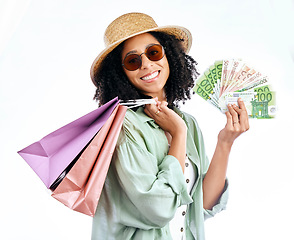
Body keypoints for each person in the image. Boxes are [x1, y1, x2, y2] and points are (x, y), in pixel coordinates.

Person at [90, 12, 249, 240]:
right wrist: (178, 134)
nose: (146, 64)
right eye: (133, 60)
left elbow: (200, 204)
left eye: (153, 52)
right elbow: (159, 210)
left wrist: (225, 141)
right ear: (120, 73)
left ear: (169, 56)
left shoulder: (188, 123)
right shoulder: (123, 127)